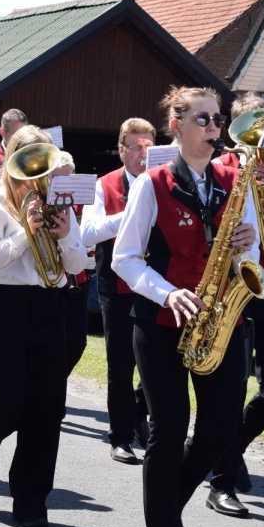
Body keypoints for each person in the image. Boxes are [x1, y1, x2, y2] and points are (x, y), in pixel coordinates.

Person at [112, 85, 258, 527]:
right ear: (176, 125)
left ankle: (165, 506)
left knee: (219, 431)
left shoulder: (236, 178)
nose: (215, 129)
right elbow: (124, 259)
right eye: (203, 120)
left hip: (222, 320)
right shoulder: (151, 184)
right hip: (160, 324)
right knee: (167, 430)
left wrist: (246, 246)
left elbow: (255, 249)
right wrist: (167, 292)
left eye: (217, 119)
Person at [0, 124, 86, 527]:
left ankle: (31, 499)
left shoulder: (59, 202)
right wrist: (24, 236)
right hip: (6, 305)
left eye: (43, 161)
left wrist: (65, 237)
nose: (37, 174)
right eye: (29, 162)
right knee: (4, 401)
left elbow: (79, 265)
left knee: (47, 409)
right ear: (12, 163)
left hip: (51, 304)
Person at [206, 93, 264, 518]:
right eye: (257, 125)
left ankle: (229, 449)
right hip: (232, 284)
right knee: (232, 385)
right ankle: (221, 481)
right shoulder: (218, 171)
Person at [81, 117, 156, 465]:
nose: (144, 155)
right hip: (116, 285)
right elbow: (88, 234)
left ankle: (139, 416)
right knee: (120, 364)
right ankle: (120, 436)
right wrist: (127, 215)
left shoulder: (163, 183)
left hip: (155, 285)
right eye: (137, 148)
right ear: (123, 149)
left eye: (149, 148)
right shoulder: (104, 185)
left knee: (156, 361)